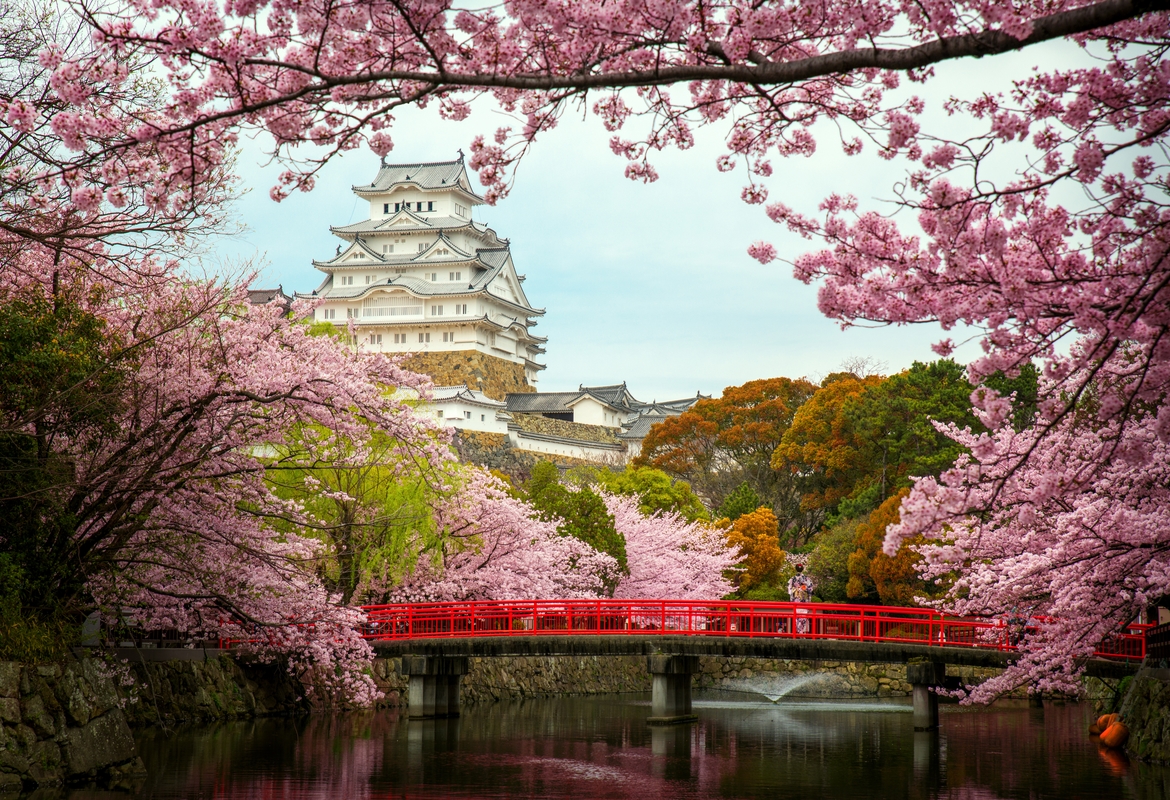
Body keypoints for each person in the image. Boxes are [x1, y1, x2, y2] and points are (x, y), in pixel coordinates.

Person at [787, 564, 815, 635]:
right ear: (802, 569)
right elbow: (811, 589)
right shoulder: (807, 579)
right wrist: (804, 590)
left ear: (796, 569)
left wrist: (796, 590)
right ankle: (802, 633)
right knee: (804, 617)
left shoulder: (792, 579)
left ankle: (798, 633)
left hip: (796, 601)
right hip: (804, 601)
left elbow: (789, 590)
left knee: (797, 618)